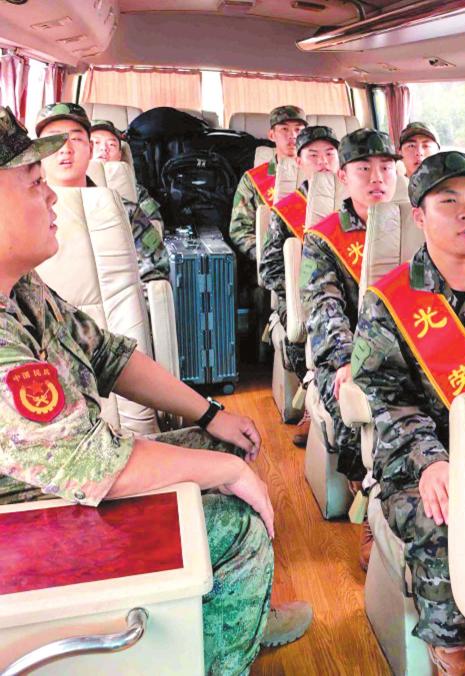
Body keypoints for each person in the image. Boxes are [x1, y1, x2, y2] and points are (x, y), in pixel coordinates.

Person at [0, 106, 311, 675]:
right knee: (235, 523)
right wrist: (228, 474)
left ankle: (236, 613)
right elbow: (95, 464)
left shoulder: (20, 289)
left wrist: (210, 414)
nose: (52, 198)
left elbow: (108, 355)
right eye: (34, 182)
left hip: (61, 487)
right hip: (27, 529)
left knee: (224, 445)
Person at [352, 151, 465, 673]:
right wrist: (431, 460)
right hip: (416, 461)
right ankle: (455, 654)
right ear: (419, 216)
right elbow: (388, 398)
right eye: (449, 201)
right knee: (442, 522)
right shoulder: (389, 301)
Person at [301, 128, 399, 566]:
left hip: (410, 354)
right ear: (343, 176)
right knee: (352, 395)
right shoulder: (323, 238)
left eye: (386, 168)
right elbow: (324, 309)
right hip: (347, 354)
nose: (377, 178)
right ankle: (370, 499)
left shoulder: (417, 228)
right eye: (364, 169)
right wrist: (346, 361)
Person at [259, 126, 341, 450]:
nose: (323, 162)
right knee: (317, 324)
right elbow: (269, 268)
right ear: (299, 162)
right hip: (300, 296)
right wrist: (303, 295)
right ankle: (312, 403)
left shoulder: (359, 205)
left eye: (330, 154)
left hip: (351, 297)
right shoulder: (288, 209)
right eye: (313, 155)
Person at [36, 103, 169, 284]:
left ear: (90, 149)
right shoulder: (20, 214)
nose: (65, 148)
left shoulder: (123, 212)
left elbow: (156, 278)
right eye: (53, 140)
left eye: (75, 139)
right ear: (38, 151)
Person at [228, 105, 306, 262]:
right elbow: (239, 229)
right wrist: (267, 256)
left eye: (298, 130)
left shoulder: (317, 176)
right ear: (272, 135)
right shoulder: (253, 179)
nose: (292, 135)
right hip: (270, 262)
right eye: (284, 129)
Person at [90, 118, 166, 237]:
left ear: (120, 155)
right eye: (96, 142)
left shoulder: (137, 191)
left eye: (111, 144)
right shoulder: (69, 185)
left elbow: (157, 228)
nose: (104, 148)